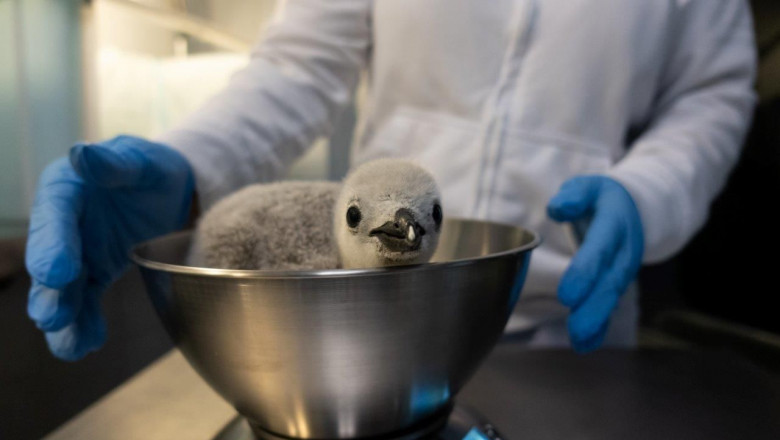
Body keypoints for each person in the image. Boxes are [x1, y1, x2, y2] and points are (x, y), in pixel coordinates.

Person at [25, 0, 756, 360]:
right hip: (370, 328)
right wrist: (191, 160)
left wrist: (651, 190)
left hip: (572, 327)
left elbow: (712, 94)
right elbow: (299, 68)